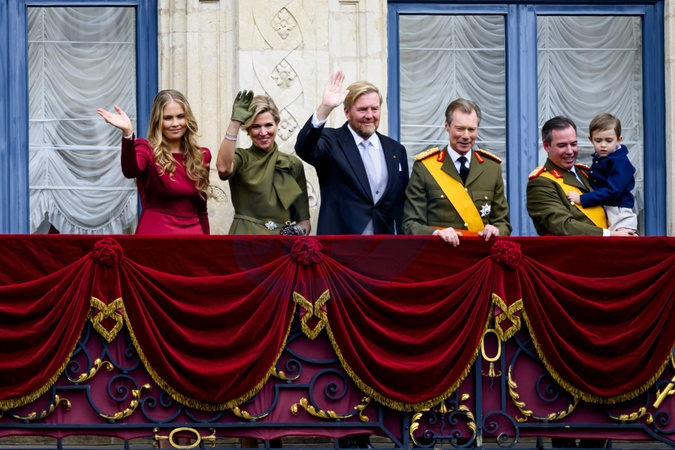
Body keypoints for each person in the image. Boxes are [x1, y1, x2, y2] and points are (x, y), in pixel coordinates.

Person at [294, 70, 409, 235]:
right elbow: (304, 148)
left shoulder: (396, 149)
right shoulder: (331, 141)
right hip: (340, 242)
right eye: (362, 109)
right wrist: (325, 108)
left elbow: (401, 204)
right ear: (347, 112)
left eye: (374, 109)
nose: (369, 115)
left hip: (383, 242)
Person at [97, 89, 211, 234]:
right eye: (168, 118)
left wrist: (206, 243)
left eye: (181, 116)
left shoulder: (202, 156)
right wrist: (128, 134)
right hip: (155, 237)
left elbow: (202, 209)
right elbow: (130, 171)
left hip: (193, 238)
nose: (175, 123)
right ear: (158, 121)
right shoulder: (146, 149)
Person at [403, 98, 511, 246]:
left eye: (471, 130)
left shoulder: (492, 169)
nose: (466, 136)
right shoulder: (425, 168)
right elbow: (410, 224)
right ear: (447, 126)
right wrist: (436, 233)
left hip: (479, 255)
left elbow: (503, 223)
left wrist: (496, 230)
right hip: (441, 253)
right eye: (460, 129)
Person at [216, 91, 311, 236]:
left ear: (277, 124)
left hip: (281, 243)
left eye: (268, 125)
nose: (263, 132)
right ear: (248, 129)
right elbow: (223, 168)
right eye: (256, 126)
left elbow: (304, 222)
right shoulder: (242, 157)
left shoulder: (293, 164)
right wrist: (235, 123)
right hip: (245, 238)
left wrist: (295, 232)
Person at [526, 116, 635, 237]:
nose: (569, 151)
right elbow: (563, 226)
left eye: (573, 144)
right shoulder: (541, 183)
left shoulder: (588, 173)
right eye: (562, 145)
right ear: (546, 146)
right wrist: (612, 235)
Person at [566, 113, 637, 233]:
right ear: (590, 139)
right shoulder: (601, 158)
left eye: (609, 140)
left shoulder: (620, 162)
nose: (603, 145)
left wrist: (582, 199)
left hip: (619, 212)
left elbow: (612, 191)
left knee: (623, 238)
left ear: (619, 140)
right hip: (605, 207)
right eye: (598, 140)